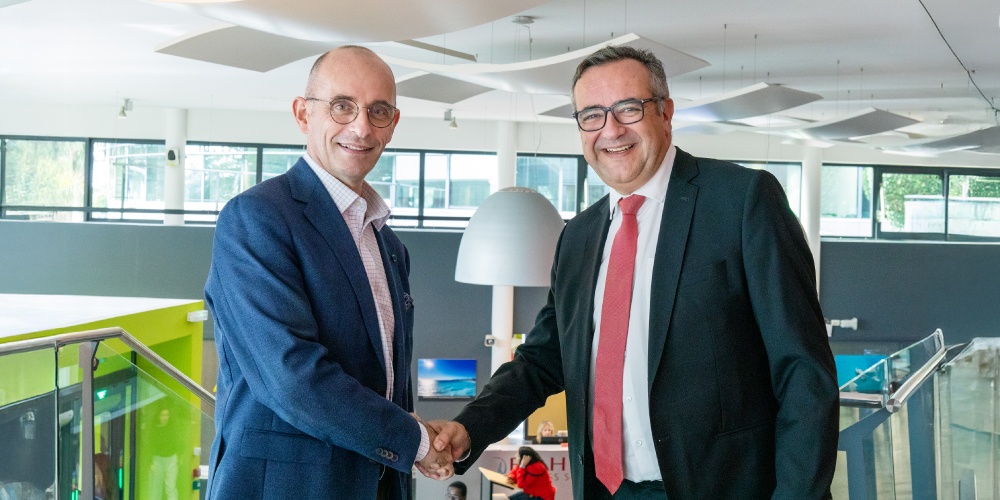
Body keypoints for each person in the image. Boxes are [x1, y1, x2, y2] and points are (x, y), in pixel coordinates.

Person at [424, 45, 839, 499]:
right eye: (592, 115)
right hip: (606, 490)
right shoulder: (578, 236)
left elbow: (804, 371)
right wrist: (470, 427)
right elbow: (543, 359)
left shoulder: (742, 201)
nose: (611, 130)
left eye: (628, 108)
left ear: (665, 113)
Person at [204, 46, 450, 500]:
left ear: (393, 124)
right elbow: (291, 376)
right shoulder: (257, 218)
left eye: (378, 111)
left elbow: (388, 385)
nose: (361, 127)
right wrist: (415, 442)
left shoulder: (389, 245)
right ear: (303, 114)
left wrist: (411, 445)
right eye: (342, 106)